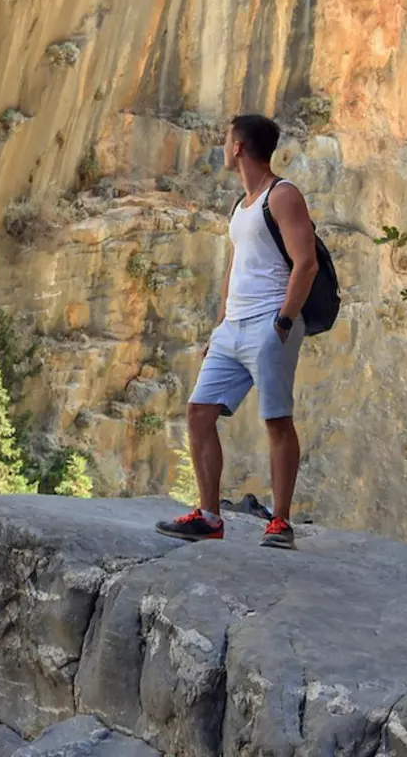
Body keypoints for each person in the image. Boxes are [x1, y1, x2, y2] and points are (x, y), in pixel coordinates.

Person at [156, 113, 316, 550]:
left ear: (239, 147)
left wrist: (282, 322)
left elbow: (306, 263)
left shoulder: (282, 196)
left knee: (277, 421)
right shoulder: (241, 204)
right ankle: (209, 515)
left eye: (227, 140)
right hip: (233, 328)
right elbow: (238, 266)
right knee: (198, 413)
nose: (224, 147)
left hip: (270, 323)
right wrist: (222, 324)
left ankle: (280, 522)